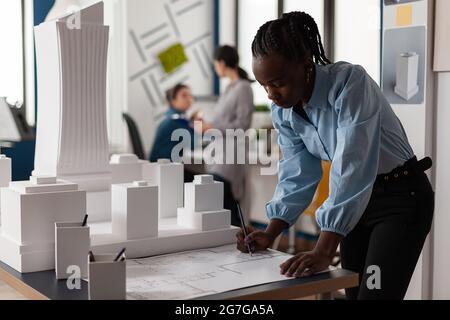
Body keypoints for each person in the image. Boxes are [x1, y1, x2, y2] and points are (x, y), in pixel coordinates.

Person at [236, 11, 434, 300]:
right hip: (357, 207)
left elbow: (352, 164)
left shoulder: (350, 84)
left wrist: (324, 249)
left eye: (277, 83)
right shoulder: (284, 110)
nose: (271, 95)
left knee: (375, 295)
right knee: (354, 295)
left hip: (400, 200)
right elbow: (297, 172)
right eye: (264, 86)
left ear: (305, 65)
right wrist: (271, 231)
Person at [195, 45, 255, 226]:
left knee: (227, 206)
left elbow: (243, 124)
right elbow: (223, 121)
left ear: (221, 63)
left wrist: (213, 127)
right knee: (223, 206)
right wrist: (207, 126)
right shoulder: (229, 88)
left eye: (215, 64)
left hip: (230, 156)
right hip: (220, 154)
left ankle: (243, 243)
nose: (215, 69)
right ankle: (237, 243)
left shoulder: (243, 88)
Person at [149, 83, 197, 182]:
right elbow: (194, 145)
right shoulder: (176, 121)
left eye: (190, 95)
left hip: (159, 169)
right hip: (165, 172)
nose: (189, 99)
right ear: (173, 100)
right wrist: (197, 125)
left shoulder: (173, 118)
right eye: (184, 95)